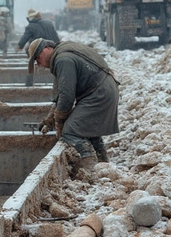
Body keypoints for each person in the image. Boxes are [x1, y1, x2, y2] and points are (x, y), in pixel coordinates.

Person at [28, 37, 120, 173]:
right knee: (85, 127)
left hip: (98, 93)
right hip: (102, 89)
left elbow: (66, 97)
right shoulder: (62, 53)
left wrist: (59, 122)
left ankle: (88, 167)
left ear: (46, 49)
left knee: (71, 130)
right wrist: (50, 119)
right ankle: (103, 164)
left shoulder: (62, 60)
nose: (39, 64)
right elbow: (61, 93)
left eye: (37, 59)